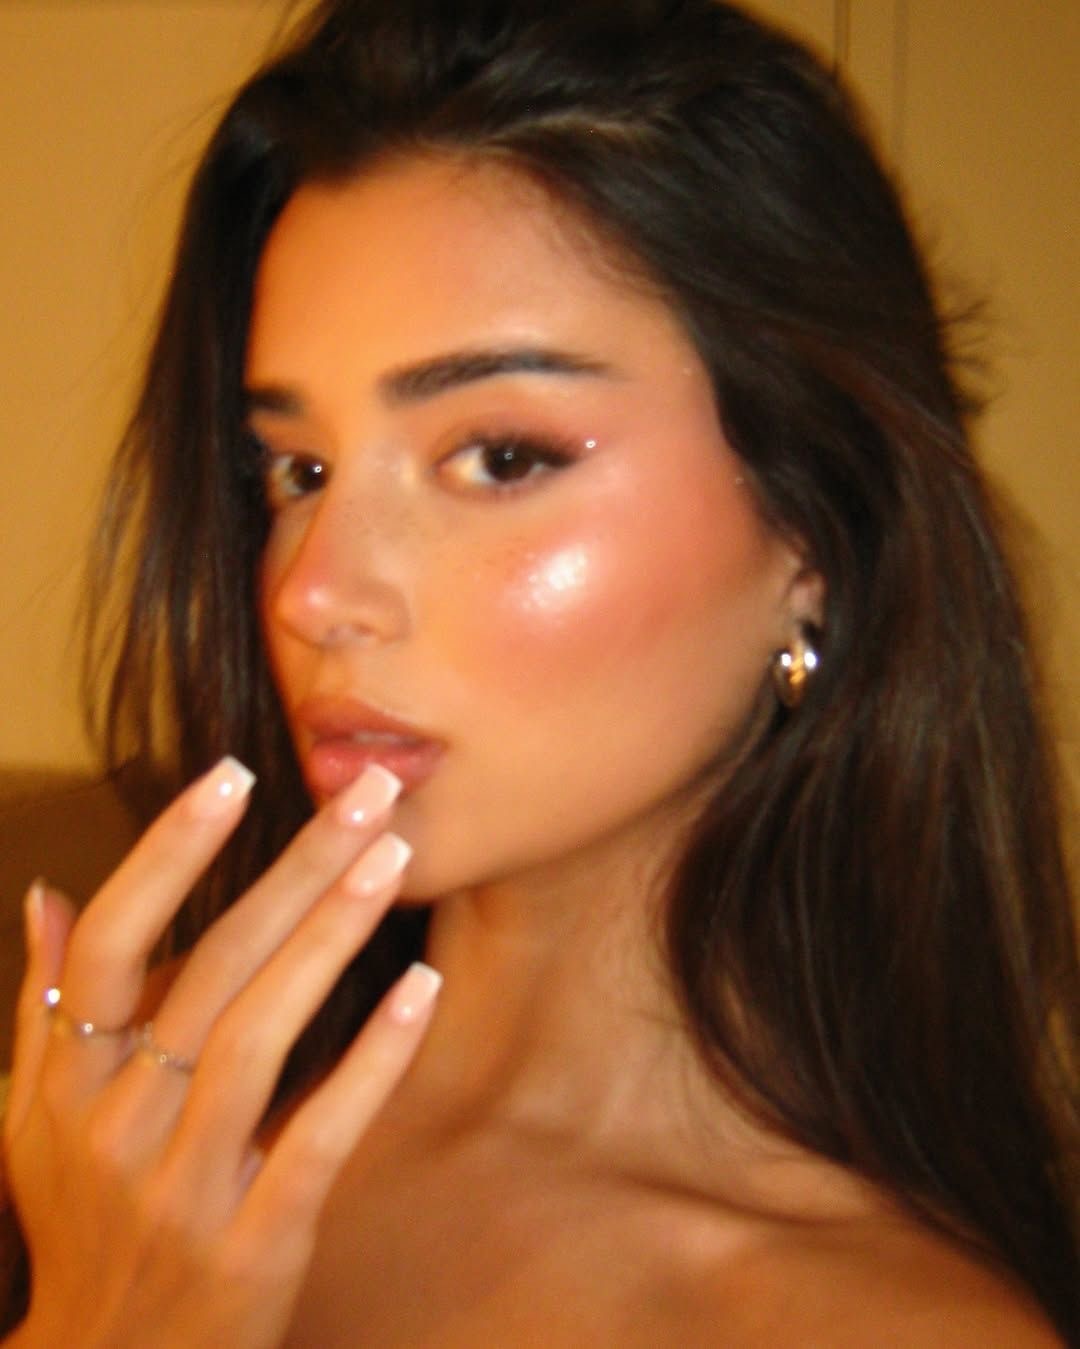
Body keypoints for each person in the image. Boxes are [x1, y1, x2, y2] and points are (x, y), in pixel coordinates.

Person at [2, 0, 1077, 1342]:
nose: (312, 591)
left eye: (501, 457)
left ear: (815, 533)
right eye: (298, 470)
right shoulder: (121, 1120)